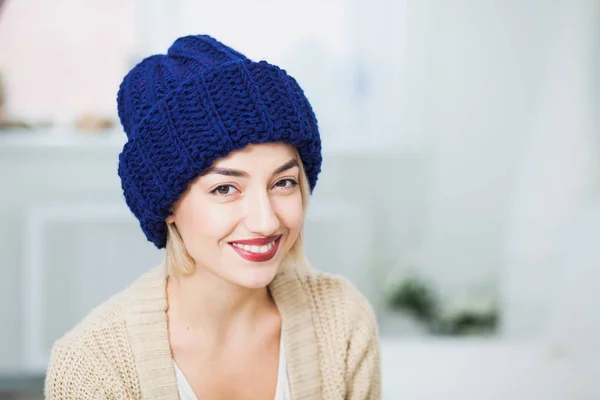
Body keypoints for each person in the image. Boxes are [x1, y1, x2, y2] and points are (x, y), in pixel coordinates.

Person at [44, 34, 381, 400]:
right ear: (168, 204)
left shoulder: (342, 322)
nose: (266, 221)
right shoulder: (94, 367)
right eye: (224, 189)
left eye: (283, 182)